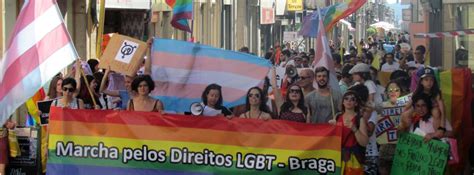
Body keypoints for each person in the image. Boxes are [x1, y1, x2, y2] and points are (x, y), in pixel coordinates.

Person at [329, 90, 369, 175]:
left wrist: (354, 129)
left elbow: (364, 142)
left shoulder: (359, 119)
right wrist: (330, 128)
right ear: (343, 102)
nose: (349, 101)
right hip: (338, 157)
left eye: (352, 99)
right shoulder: (337, 116)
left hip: (353, 159)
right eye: (346, 98)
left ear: (356, 103)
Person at [378, 80, 405, 175]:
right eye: (390, 90)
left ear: (401, 92)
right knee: (384, 170)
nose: (393, 92)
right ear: (386, 93)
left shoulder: (407, 106)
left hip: (402, 145)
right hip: (385, 146)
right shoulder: (381, 106)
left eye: (396, 90)